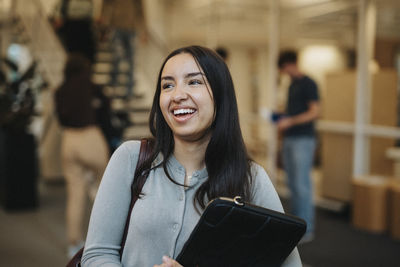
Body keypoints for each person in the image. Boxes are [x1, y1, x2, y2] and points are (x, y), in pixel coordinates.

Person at [81, 45, 302, 266]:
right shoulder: (130, 158)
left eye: (194, 82)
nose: (177, 95)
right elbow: (97, 255)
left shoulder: (251, 178)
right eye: (167, 85)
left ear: (220, 94)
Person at [54, 53, 110, 257]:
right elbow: (106, 112)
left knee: (75, 195)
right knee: (109, 190)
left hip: (69, 141)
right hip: (90, 137)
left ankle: (73, 244)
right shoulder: (91, 85)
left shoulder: (60, 90)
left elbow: (60, 119)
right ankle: (107, 239)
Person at [277, 50, 320, 243]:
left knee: (302, 185)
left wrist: (291, 121)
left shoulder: (309, 83)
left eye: (284, 68)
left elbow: (314, 112)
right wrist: (282, 117)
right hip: (290, 138)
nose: (284, 72)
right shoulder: (292, 85)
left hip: (303, 139)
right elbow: (293, 111)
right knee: (293, 184)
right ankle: (296, 225)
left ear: (290, 64)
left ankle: (307, 229)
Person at [101, 0, 147, 97]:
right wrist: (104, 24)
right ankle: (113, 84)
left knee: (130, 59)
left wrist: (143, 30)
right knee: (116, 56)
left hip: (131, 27)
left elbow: (141, 11)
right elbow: (106, 5)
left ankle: (129, 90)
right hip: (116, 26)